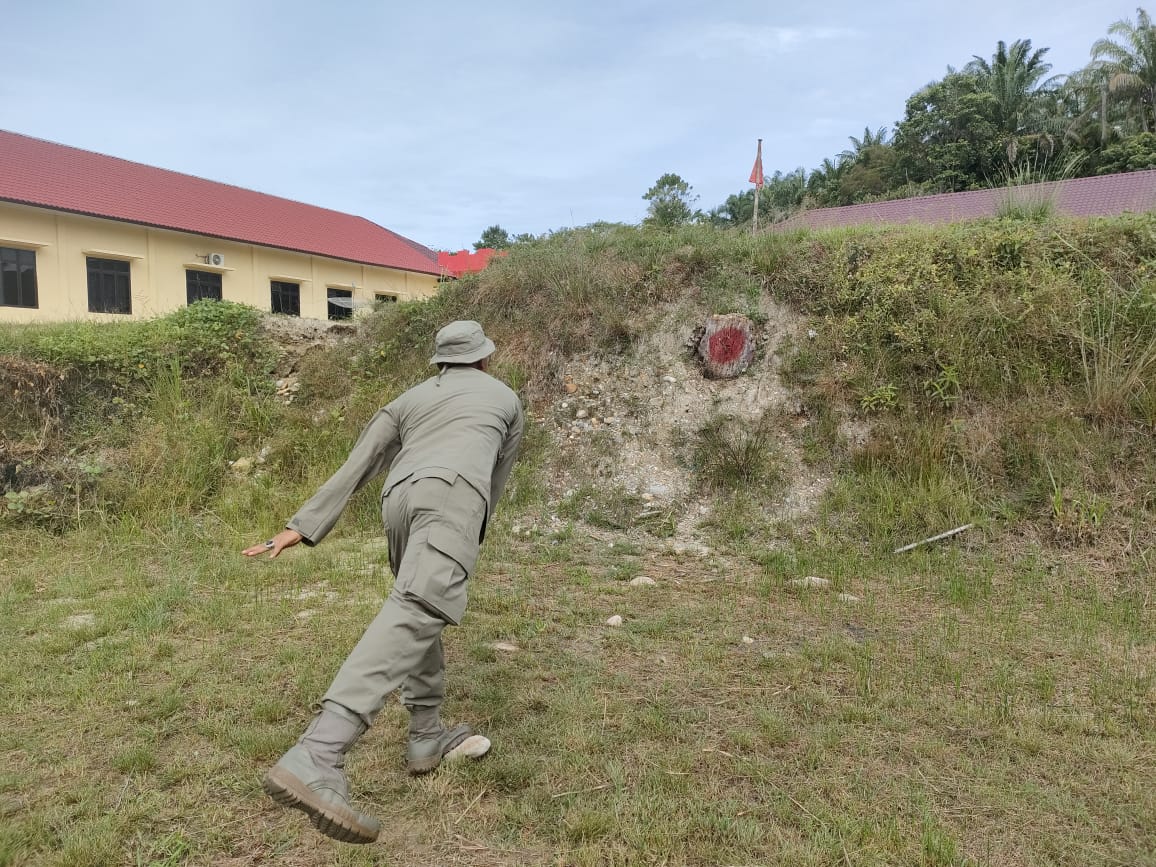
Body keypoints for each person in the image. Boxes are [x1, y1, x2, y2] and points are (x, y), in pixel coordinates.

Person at [242, 320, 524, 844]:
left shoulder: (408, 399)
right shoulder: (504, 397)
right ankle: (318, 753)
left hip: (398, 500)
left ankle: (425, 736)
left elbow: (359, 464)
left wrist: (298, 529)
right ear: (484, 358)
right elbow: (495, 477)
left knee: (415, 611)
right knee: (419, 606)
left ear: (440, 362)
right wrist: (468, 529)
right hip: (454, 496)